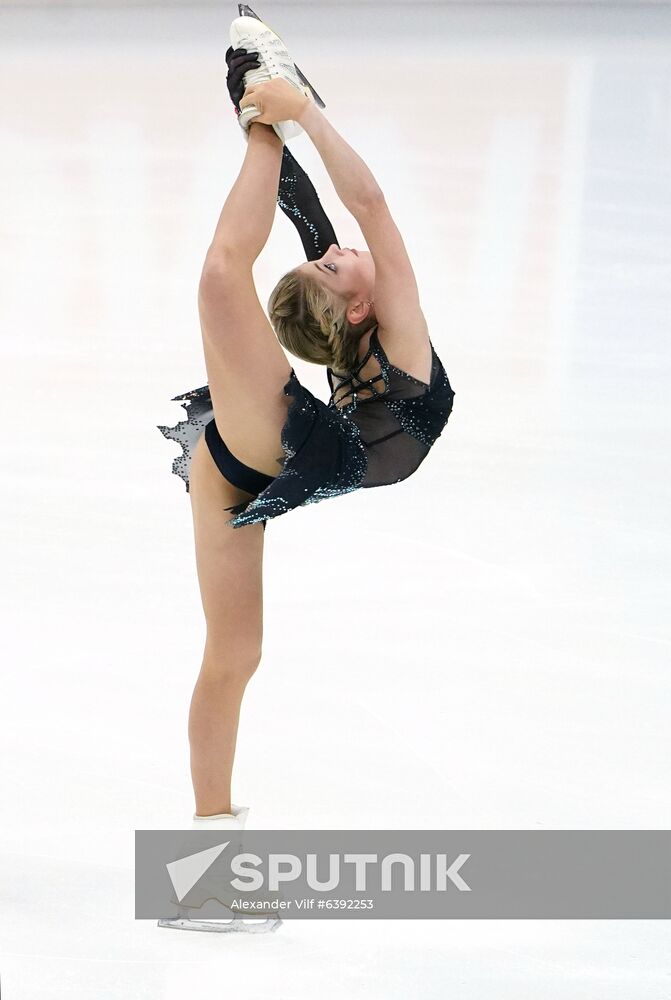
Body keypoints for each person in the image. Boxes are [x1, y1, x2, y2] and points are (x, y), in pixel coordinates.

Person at [157, 19, 455, 854]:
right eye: (331, 266)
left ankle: (266, 108)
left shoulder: (376, 325)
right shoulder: (380, 319)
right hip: (274, 450)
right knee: (220, 277)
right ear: (353, 306)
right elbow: (350, 209)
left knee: (236, 655)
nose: (338, 253)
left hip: (284, 452)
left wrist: (265, 92)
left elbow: (334, 209)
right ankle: (211, 867)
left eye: (328, 264)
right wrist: (280, 113)